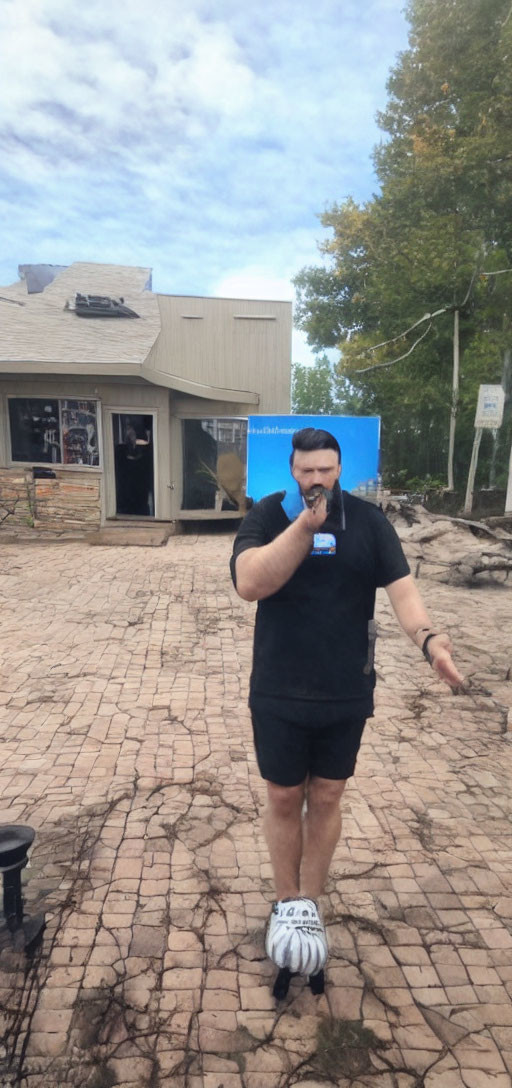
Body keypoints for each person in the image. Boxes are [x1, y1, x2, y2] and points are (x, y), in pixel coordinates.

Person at [230, 427, 463, 985]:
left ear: (339, 469)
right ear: (293, 470)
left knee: (328, 795)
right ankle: (286, 904)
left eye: (326, 470)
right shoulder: (267, 516)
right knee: (285, 797)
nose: (317, 480)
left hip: (345, 690)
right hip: (279, 690)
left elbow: (402, 591)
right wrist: (304, 528)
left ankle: (309, 906)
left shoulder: (368, 521)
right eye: (307, 471)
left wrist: (430, 642)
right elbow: (249, 583)